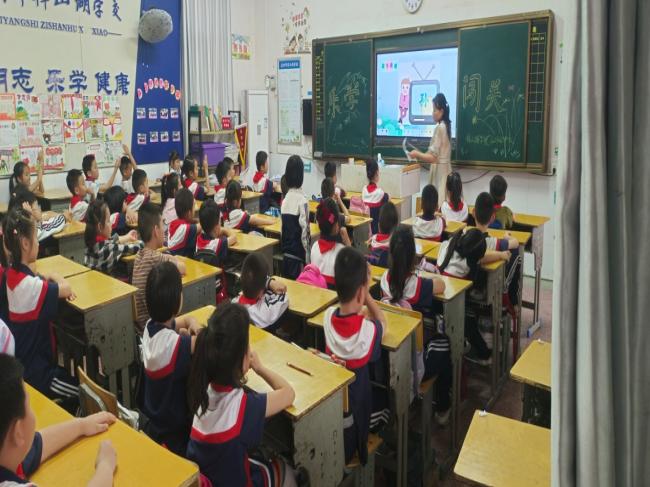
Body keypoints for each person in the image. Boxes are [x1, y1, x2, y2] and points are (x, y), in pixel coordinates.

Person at [186, 304, 296, 486]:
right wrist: (260, 368)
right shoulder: (244, 407)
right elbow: (288, 393)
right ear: (241, 359)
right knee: (287, 470)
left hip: (214, 477)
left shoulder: (203, 393)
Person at [0, 354, 117, 487]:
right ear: (18, 432)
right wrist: (105, 466)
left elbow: (37, 446)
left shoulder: (6, 454)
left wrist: (81, 426)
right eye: (29, 405)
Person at [3, 208, 78, 407]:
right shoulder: (30, 286)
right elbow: (66, 288)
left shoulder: (11, 276)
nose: (38, 243)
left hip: (26, 366)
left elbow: (37, 283)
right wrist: (55, 276)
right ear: (25, 243)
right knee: (85, 393)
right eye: (35, 238)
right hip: (41, 375)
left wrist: (46, 279)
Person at [378, 225, 451, 424]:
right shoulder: (416, 285)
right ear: (413, 256)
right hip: (413, 364)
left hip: (390, 355)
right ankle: (443, 407)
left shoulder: (384, 280)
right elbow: (442, 285)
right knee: (446, 343)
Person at [323, 247, 386, 465]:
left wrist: (360, 295)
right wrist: (367, 295)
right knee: (387, 403)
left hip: (337, 410)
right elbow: (382, 322)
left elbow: (347, 315)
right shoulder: (366, 332)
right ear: (360, 293)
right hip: (358, 418)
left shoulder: (327, 317)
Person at [141, 262, 200, 456]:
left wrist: (191, 322)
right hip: (176, 437)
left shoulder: (150, 329)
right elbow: (205, 343)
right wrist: (194, 332)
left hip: (155, 425)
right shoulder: (175, 345)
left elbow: (183, 321)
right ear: (177, 300)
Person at [437, 228, 509, 364]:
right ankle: (483, 353)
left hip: (439, 301)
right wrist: (500, 255)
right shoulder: (466, 265)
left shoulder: (447, 245)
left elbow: (479, 258)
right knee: (469, 321)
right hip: (453, 306)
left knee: (468, 317)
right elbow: (482, 260)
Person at [132, 203, 186, 333]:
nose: (164, 229)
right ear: (156, 231)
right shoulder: (155, 257)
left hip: (141, 327)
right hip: (154, 326)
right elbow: (182, 268)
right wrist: (173, 259)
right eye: (163, 224)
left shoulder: (139, 255)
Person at [408, 93, 452, 208]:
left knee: (438, 204)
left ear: (441, 111)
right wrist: (421, 154)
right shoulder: (446, 125)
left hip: (439, 173)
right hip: (446, 170)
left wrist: (417, 154)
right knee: (445, 204)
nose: (432, 113)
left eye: (434, 110)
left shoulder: (440, 128)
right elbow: (434, 153)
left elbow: (433, 158)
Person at [84, 200, 143, 274]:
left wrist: (127, 237)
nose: (111, 224)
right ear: (100, 227)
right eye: (108, 221)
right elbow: (136, 248)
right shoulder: (109, 249)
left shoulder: (91, 243)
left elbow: (109, 241)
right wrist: (141, 242)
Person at [235, 254, 288, 333]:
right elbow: (283, 295)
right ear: (260, 293)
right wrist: (269, 283)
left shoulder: (234, 302)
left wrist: (267, 283)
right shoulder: (265, 313)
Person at [280, 156, 310, 279]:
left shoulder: (285, 200)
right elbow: (305, 234)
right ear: (301, 176)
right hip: (298, 261)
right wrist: (308, 261)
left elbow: (282, 231)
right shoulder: (303, 201)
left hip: (286, 258)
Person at [310, 199, 351, 287]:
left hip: (317, 294)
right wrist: (348, 243)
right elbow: (356, 272)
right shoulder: (342, 252)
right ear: (336, 226)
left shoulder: (314, 247)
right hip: (336, 295)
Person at [196, 200, 236, 266]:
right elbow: (234, 237)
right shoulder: (217, 243)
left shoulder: (197, 239)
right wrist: (223, 230)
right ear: (217, 226)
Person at [168, 188, 200, 257]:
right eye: (194, 206)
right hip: (182, 262)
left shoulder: (173, 224)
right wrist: (197, 221)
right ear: (189, 213)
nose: (195, 209)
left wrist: (193, 220)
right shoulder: (184, 228)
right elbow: (203, 224)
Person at [362, 159, 389, 235]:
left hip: (365, 231)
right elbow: (387, 198)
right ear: (377, 173)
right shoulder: (380, 192)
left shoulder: (364, 190)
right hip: (376, 231)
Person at [367, 202, 398, 267]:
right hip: (391, 270)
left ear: (379, 226)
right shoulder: (396, 242)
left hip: (374, 270)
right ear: (396, 225)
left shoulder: (373, 239)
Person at [161, 172, 181, 244]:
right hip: (171, 243)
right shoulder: (177, 203)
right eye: (180, 185)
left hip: (165, 242)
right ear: (174, 191)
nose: (182, 187)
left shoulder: (166, 202)